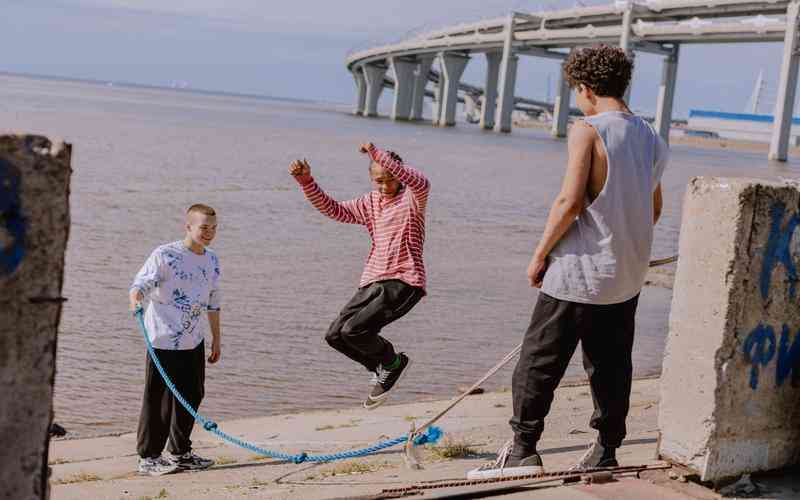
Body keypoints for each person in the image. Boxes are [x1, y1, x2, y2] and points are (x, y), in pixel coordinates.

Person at [469, 44, 668, 479]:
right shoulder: (652, 136)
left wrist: (539, 255)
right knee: (612, 365)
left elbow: (569, 201)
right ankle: (605, 450)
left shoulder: (588, 130)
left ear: (586, 87)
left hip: (579, 272)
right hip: (626, 276)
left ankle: (523, 450)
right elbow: (654, 210)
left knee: (538, 363)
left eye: (576, 91)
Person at [289, 143, 430, 410]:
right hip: (372, 281)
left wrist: (378, 155)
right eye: (379, 180)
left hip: (403, 281)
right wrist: (306, 181)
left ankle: (393, 362)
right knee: (335, 335)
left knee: (355, 330)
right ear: (371, 178)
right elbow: (334, 210)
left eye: (391, 178)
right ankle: (382, 367)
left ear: (400, 175)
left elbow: (420, 180)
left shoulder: (413, 197)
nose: (386, 185)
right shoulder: (370, 202)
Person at [129, 204, 222, 476]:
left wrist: (216, 339)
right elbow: (140, 285)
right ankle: (149, 457)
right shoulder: (165, 254)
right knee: (158, 399)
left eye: (214, 228)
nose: (209, 233)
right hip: (163, 338)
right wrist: (134, 299)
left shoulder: (212, 259)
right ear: (189, 227)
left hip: (193, 339)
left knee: (192, 394)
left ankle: (180, 453)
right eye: (204, 227)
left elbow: (214, 302)